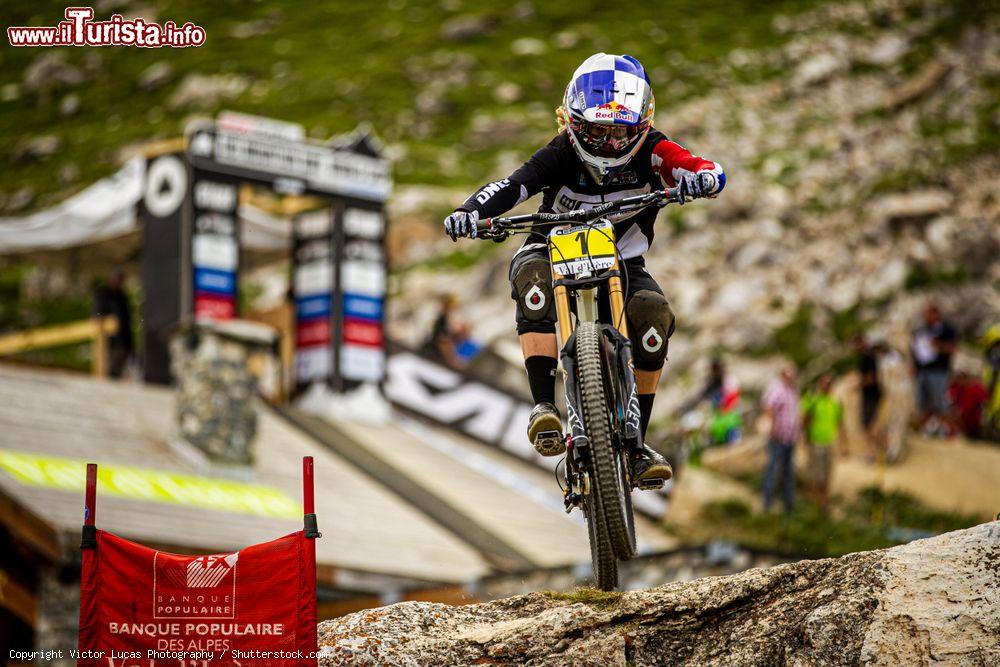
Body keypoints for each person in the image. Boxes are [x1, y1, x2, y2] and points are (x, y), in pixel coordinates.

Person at [443, 53, 726, 487]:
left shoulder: (654, 149)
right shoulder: (559, 153)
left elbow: (694, 164)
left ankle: (637, 446)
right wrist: (469, 212)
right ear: (573, 122)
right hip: (548, 248)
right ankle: (544, 407)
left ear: (644, 125)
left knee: (653, 319)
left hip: (624, 261)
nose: (610, 142)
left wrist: (706, 177)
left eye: (621, 132)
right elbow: (512, 186)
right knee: (532, 284)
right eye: (598, 130)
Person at [910, 302, 958, 435]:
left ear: (936, 314)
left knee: (940, 402)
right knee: (923, 403)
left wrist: (938, 345)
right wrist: (914, 366)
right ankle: (922, 431)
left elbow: (952, 348)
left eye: (928, 313)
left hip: (938, 371)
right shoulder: (921, 330)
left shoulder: (947, 329)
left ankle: (952, 430)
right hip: (922, 371)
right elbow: (915, 351)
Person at [801, 373, 846, 514]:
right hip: (816, 442)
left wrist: (844, 444)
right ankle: (817, 505)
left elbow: (840, 423)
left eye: (829, 384)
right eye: (824, 384)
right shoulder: (813, 401)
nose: (827, 387)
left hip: (829, 442)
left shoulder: (835, 403)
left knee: (827, 475)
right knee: (816, 475)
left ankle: (822, 504)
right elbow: (805, 421)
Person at [761, 364, 801, 513]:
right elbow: (768, 408)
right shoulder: (777, 390)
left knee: (788, 471)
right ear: (783, 375)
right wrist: (773, 428)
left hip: (790, 438)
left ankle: (788, 505)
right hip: (778, 437)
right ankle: (767, 504)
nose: (791, 377)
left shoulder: (793, 391)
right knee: (772, 469)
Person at [92, 271, 133, 379]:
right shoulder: (103, 294)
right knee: (108, 370)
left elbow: (127, 321)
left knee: (118, 370)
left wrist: (129, 345)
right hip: (109, 341)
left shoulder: (122, 297)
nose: (119, 282)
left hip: (122, 340)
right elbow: (97, 314)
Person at [423, 294, 470, 369]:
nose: (453, 309)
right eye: (451, 307)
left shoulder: (446, 321)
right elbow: (442, 342)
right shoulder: (442, 320)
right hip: (431, 356)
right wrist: (453, 360)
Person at [855, 334, 882, 459]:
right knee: (870, 423)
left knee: (869, 423)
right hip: (873, 394)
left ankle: (873, 451)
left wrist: (858, 386)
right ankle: (873, 451)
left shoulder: (867, 357)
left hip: (871, 395)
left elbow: (871, 378)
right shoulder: (869, 356)